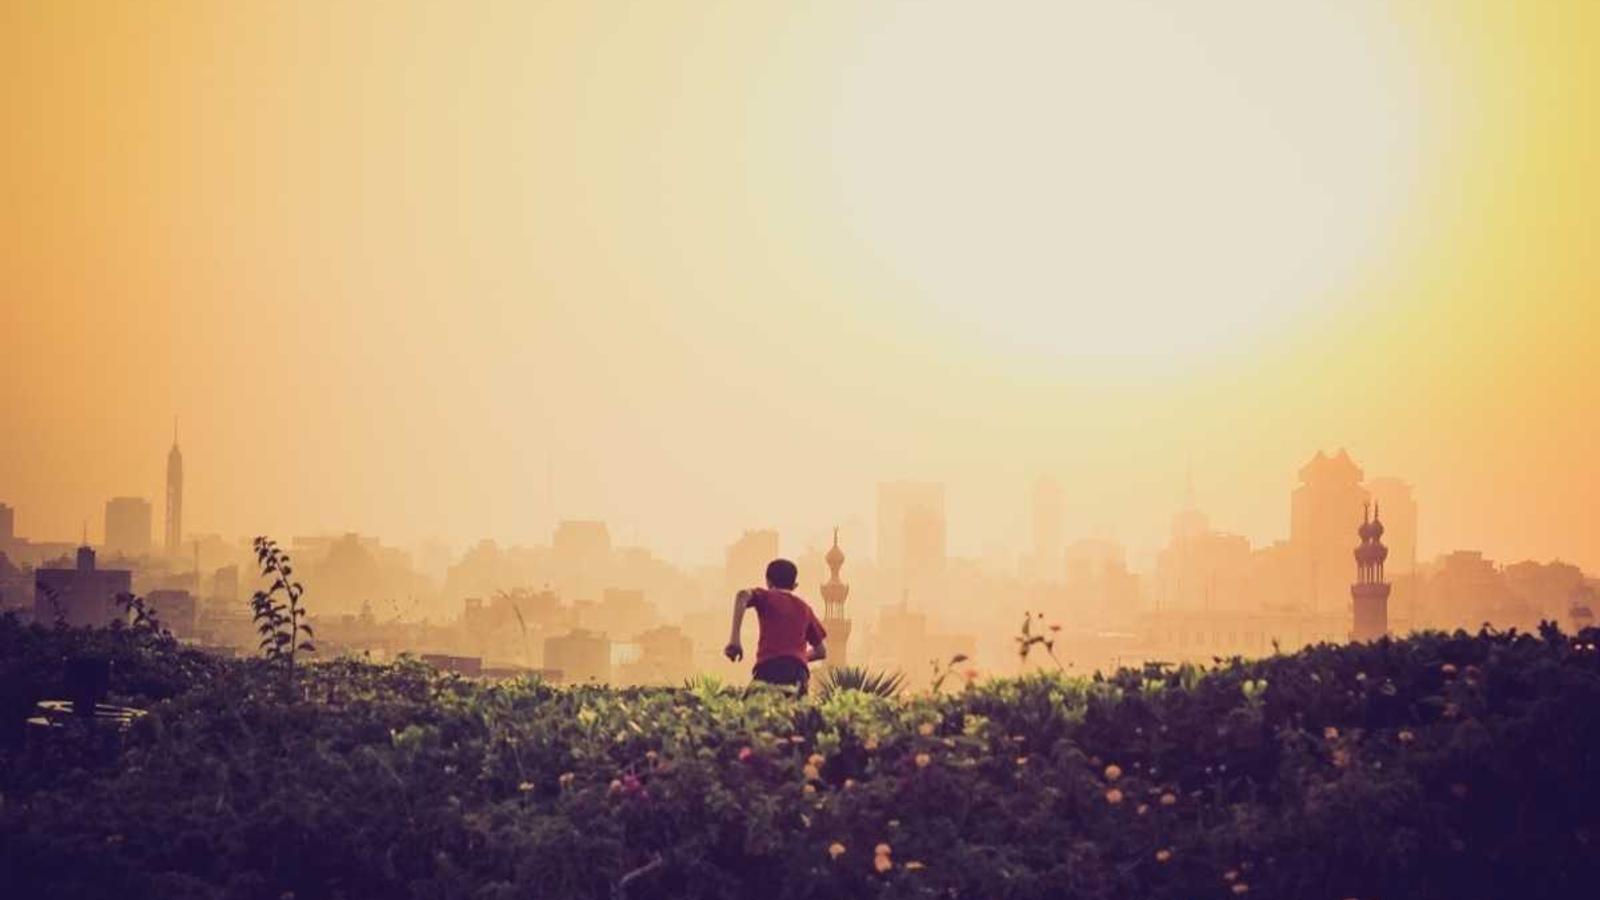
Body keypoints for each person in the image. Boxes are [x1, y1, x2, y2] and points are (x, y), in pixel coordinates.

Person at [724, 558, 827, 694]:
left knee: (750, 711)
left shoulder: (767, 597)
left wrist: (735, 640)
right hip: (798, 674)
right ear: (794, 585)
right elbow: (821, 652)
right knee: (794, 713)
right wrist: (796, 656)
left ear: (768, 581)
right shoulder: (805, 609)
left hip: (770, 669)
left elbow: (742, 595)